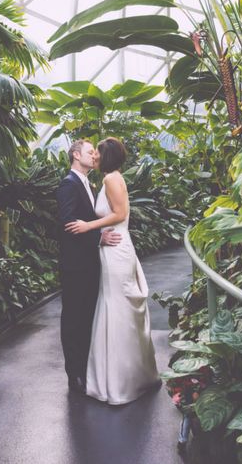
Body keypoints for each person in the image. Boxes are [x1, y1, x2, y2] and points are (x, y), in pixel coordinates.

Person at [65, 137, 160, 405]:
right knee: (114, 306)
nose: (94, 156)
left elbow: (120, 214)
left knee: (118, 307)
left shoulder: (110, 180)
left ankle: (121, 381)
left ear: (106, 157)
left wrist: (88, 227)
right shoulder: (109, 178)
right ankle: (126, 376)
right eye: (90, 152)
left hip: (116, 249)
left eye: (97, 153)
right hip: (111, 248)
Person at [56, 139, 122, 394]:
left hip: (90, 262)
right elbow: (68, 222)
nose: (95, 155)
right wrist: (99, 236)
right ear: (75, 155)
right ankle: (75, 374)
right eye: (89, 151)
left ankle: (85, 367)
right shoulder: (68, 184)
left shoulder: (88, 183)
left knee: (87, 316)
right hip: (75, 264)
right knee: (73, 318)